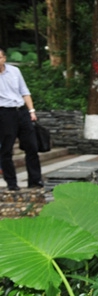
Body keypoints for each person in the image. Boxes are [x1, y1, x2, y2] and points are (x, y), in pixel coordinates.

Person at [0, 48, 43, 191]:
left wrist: (31, 111)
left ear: (4, 58)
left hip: (21, 111)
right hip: (4, 113)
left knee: (32, 146)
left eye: (0, 57)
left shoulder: (15, 71)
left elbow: (25, 92)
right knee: (6, 150)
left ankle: (35, 180)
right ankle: (12, 183)